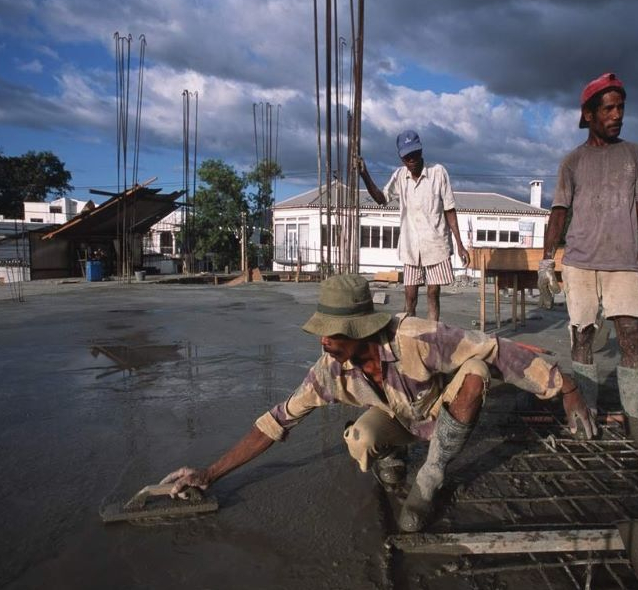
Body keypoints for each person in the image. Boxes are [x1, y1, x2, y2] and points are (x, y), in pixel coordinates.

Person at [163, 274, 596, 532]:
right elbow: (275, 422)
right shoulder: (329, 370)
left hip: (437, 406)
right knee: (361, 436)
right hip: (400, 418)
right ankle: (393, 455)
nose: (325, 341)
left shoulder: (418, 338)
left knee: (477, 373)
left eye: (334, 332)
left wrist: (565, 389)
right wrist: (209, 473)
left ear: (362, 328)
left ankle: (430, 476)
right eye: (323, 332)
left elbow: (494, 349)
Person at [538, 72, 638, 450]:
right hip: (581, 262)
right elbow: (558, 214)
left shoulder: (635, 155)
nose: (617, 115)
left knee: (632, 337)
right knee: (582, 337)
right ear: (587, 115)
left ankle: (634, 419)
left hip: (623, 263)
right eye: (608, 108)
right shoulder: (572, 162)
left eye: (621, 108)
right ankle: (584, 412)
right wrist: (545, 263)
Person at [358, 130, 469, 322]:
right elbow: (381, 198)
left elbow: (449, 209)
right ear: (402, 159)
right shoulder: (400, 177)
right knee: (410, 296)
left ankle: (432, 335)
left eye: (415, 155)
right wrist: (364, 174)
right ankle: (410, 336)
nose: (412, 160)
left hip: (436, 244)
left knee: (433, 293)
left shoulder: (438, 172)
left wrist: (460, 244)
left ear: (421, 151)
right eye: (407, 157)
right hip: (411, 247)